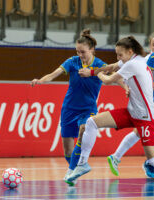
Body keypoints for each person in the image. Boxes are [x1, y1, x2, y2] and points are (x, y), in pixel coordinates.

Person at [65, 36, 154, 192]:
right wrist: (98, 68)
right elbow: (112, 66)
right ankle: (82, 164)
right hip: (131, 112)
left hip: (145, 117)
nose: (118, 58)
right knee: (91, 123)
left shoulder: (134, 65)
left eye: (120, 54)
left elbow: (108, 80)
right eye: (117, 54)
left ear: (129, 51)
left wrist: (92, 72)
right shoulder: (131, 60)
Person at [107, 25, 154, 180]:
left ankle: (148, 161)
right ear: (150, 46)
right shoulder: (151, 58)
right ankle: (153, 163)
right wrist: (100, 70)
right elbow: (125, 69)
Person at [31, 29, 107, 182]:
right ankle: (74, 170)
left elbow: (112, 77)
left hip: (88, 109)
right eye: (77, 51)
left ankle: (74, 169)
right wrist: (40, 80)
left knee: (83, 129)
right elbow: (53, 74)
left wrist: (126, 87)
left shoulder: (99, 65)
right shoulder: (72, 61)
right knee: (67, 149)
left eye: (83, 52)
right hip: (69, 108)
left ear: (92, 49)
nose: (80, 55)